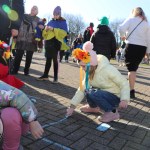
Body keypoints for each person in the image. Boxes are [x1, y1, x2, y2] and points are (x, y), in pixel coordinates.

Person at [66, 41, 130, 123]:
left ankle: (112, 112)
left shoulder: (108, 69)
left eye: (83, 66)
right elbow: (82, 89)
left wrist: (124, 99)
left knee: (93, 92)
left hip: (115, 97)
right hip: (103, 94)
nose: (82, 69)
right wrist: (72, 106)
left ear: (91, 64)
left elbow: (123, 83)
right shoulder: (88, 73)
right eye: (81, 66)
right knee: (87, 90)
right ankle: (93, 107)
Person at [0, 81, 44, 149]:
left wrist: (33, 120)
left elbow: (18, 97)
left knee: (10, 115)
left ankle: (11, 147)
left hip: (17, 121)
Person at [118, 7, 150, 98]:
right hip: (142, 48)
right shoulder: (146, 24)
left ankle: (131, 90)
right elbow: (149, 39)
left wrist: (122, 37)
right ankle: (130, 88)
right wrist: (148, 52)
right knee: (134, 68)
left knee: (131, 69)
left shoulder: (131, 19)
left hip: (131, 45)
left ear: (134, 12)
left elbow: (121, 29)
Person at [37, 6, 68, 83]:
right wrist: (46, 30)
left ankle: (55, 77)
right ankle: (45, 75)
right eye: (54, 14)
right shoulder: (50, 22)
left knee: (55, 59)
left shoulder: (63, 22)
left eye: (57, 14)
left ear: (60, 14)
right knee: (48, 59)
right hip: (48, 42)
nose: (55, 16)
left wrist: (54, 29)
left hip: (56, 42)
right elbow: (44, 34)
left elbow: (64, 33)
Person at [12, 6, 40, 75]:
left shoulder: (38, 20)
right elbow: (17, 25)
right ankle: (15, 69)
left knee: (29, 57)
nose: (33, 9)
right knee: (18, 56)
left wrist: (39, 42)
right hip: (21, 38)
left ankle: (26, 71)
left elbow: (39, 32)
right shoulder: (23, 16)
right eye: (32, 8)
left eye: (35, 9)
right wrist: (15, 37)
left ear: (37, 12)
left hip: (31, 40)